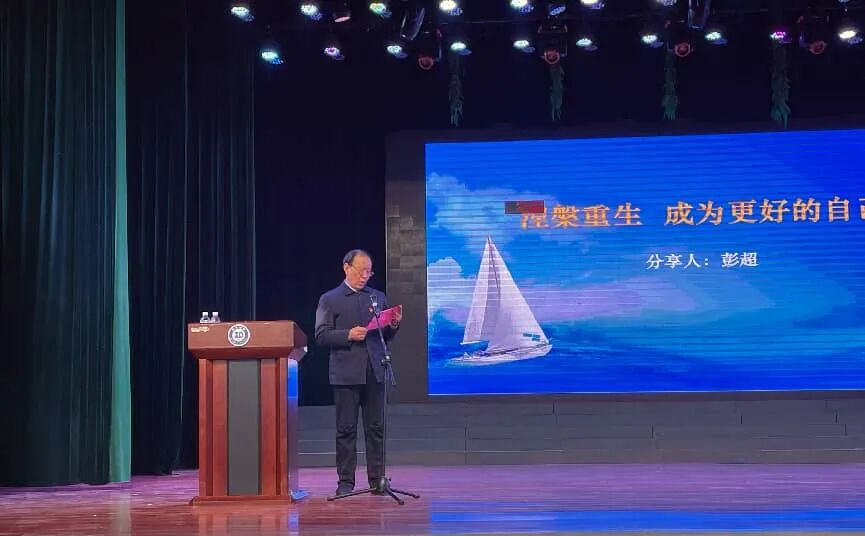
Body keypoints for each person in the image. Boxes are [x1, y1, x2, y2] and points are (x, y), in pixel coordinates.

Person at [314, 249, 402, 497]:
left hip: (375, 370)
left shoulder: (377, 297)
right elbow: (321, 335)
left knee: (376, 428)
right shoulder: (330, 299)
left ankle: (377, 480)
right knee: (346, 429)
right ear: (346, 268)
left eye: (369, 272)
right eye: (361, 271)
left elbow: (385, 335)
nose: (365, 276)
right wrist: (348, 335)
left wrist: (394, 323)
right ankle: (345, 482)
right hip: (345, 373)